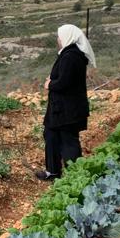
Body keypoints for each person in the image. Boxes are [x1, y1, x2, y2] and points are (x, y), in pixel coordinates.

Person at [36, 23, 96, 181]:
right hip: (61, 108)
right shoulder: (70, 54)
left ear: (67, 37)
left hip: (67, 109)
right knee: (51, 135)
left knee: (68, 140)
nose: (58, 39)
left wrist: (50, 84)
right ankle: (53, 171)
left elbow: (64, 83)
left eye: (59, 36)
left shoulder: (71, 56)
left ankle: (76, 176)